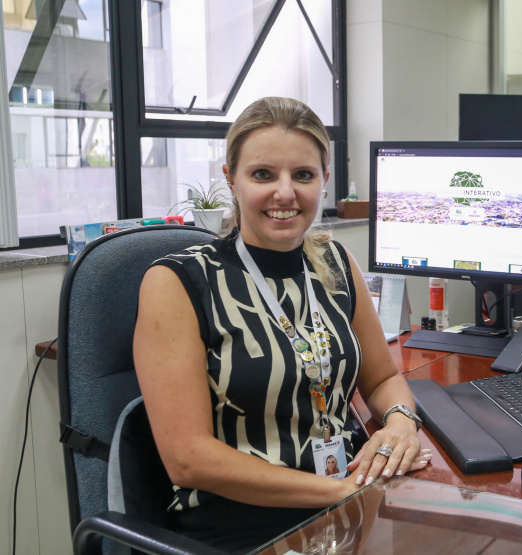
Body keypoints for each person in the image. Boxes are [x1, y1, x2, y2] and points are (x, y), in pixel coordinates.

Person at [133, 97, 430, 553]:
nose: (285, 193)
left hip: (348, 502)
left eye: (304, 175)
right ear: (231, 178)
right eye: (263, 174)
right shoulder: (178, 283)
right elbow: (188, 461)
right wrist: (340, 491)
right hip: (244, 523)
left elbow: (384, 376)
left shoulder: (335, 262)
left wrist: (401, 423)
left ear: (324, 181)